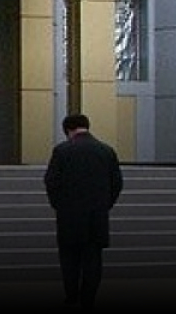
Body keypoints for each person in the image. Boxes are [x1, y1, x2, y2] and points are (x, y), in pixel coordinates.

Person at [43, 113, 124, 310]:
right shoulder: (106, 151)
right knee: (93, 259)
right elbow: (117, 183)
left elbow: (51, 181)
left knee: (69, 258)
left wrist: (59, 205)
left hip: (69, 215)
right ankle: (88, 298)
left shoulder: (62, 151)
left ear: (68, 130)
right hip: (97, 216)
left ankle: (71, 296)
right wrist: (105, 204)